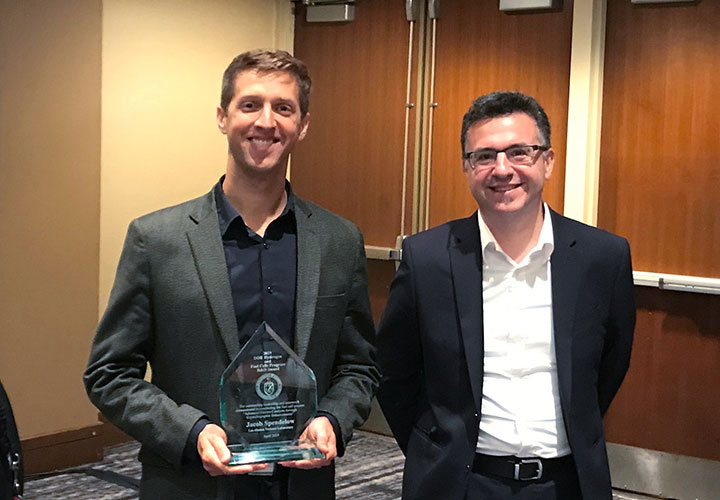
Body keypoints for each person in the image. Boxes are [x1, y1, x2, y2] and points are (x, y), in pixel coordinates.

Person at [84, 49, 379, 500]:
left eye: (283, 108)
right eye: (250, 105)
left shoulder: (339, 240)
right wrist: (191, 432)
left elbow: (358, 366)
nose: (266, 121)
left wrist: (333, 418)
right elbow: (110, 373)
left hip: (300, 484)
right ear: (222, 117)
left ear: (303, 125)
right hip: (190, 484)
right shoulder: (156, 239)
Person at [377, 91, 635, 500]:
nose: (502, 169)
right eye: (484, 156)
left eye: (520, 152)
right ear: (466, 167)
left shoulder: (602, 257)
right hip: (459, 483)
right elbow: (394, 373)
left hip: (567, 485)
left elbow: (609, 366)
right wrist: (435, 449)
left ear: (547, 162)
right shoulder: (427, 258)